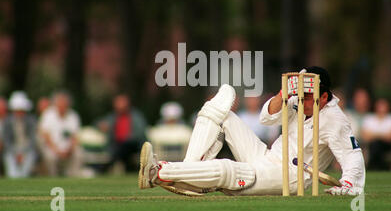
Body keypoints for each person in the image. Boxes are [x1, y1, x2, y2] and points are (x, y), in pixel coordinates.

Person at [138, 66, 365, 196]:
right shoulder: (296, 100)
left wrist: (348, 185)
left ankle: (159, 172)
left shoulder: (335, 120)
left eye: (307, 97)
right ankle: (190, 173)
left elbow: (352, 154)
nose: (301, 100)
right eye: (301, 95)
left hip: (291, 176)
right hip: (268, 157)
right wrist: (282, 94)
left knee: (230, 170)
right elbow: (266, 118)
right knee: (220, 110)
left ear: (324, 96)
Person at [97, 93, 147, 173]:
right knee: (121, 149)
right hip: (117, 145)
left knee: (125, 146)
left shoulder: (136, 116)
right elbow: (97, 123)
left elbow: (139, 134)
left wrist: (127, 139)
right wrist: (101, 125)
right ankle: (130, 168)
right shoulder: (112, 117)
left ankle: (104, 168)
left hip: (134, 145)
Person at [38, 91, 83, 177]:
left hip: (68, 149)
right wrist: (57, 151)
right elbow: (46, 136)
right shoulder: (48, 115)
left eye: (64, 103)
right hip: (53, 148)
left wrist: (69, 149)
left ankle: (73, 176)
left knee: (79, 153)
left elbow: (75, 137)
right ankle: (53, 177)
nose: (62, 106)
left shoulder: (73, 116)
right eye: (60, 103)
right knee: (50, 156)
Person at [1, 92, 38, 178]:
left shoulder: (31, 121)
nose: (20, 113)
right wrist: (16, 153)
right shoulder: (7, 122)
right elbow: (6, 141)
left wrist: (23, 153)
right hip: (12, 150)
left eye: (21, 110)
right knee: (11, 168)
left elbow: (32, 139)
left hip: (27, 150)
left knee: (30, 158)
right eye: (17, 111)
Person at [361, 97, 391, 170]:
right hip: (371, 145)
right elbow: (365, 136)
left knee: (377, 144)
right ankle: (380, 166)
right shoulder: (368, 118)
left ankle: (373, 166)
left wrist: (374, 135)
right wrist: (383, 135)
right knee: (375, 144)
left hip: (387, 146)